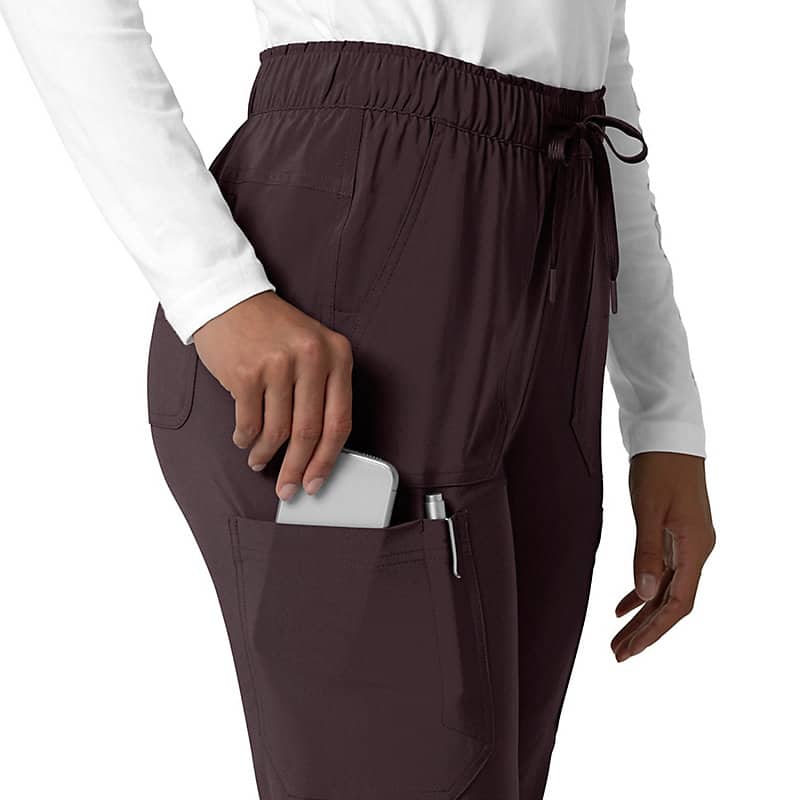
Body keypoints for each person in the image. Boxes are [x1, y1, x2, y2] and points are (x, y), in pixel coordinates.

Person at [1, 1, 716, 797]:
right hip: (358, 270)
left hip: (560, 266)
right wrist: (214, 289)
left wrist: (663, 412)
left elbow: (597, 55)